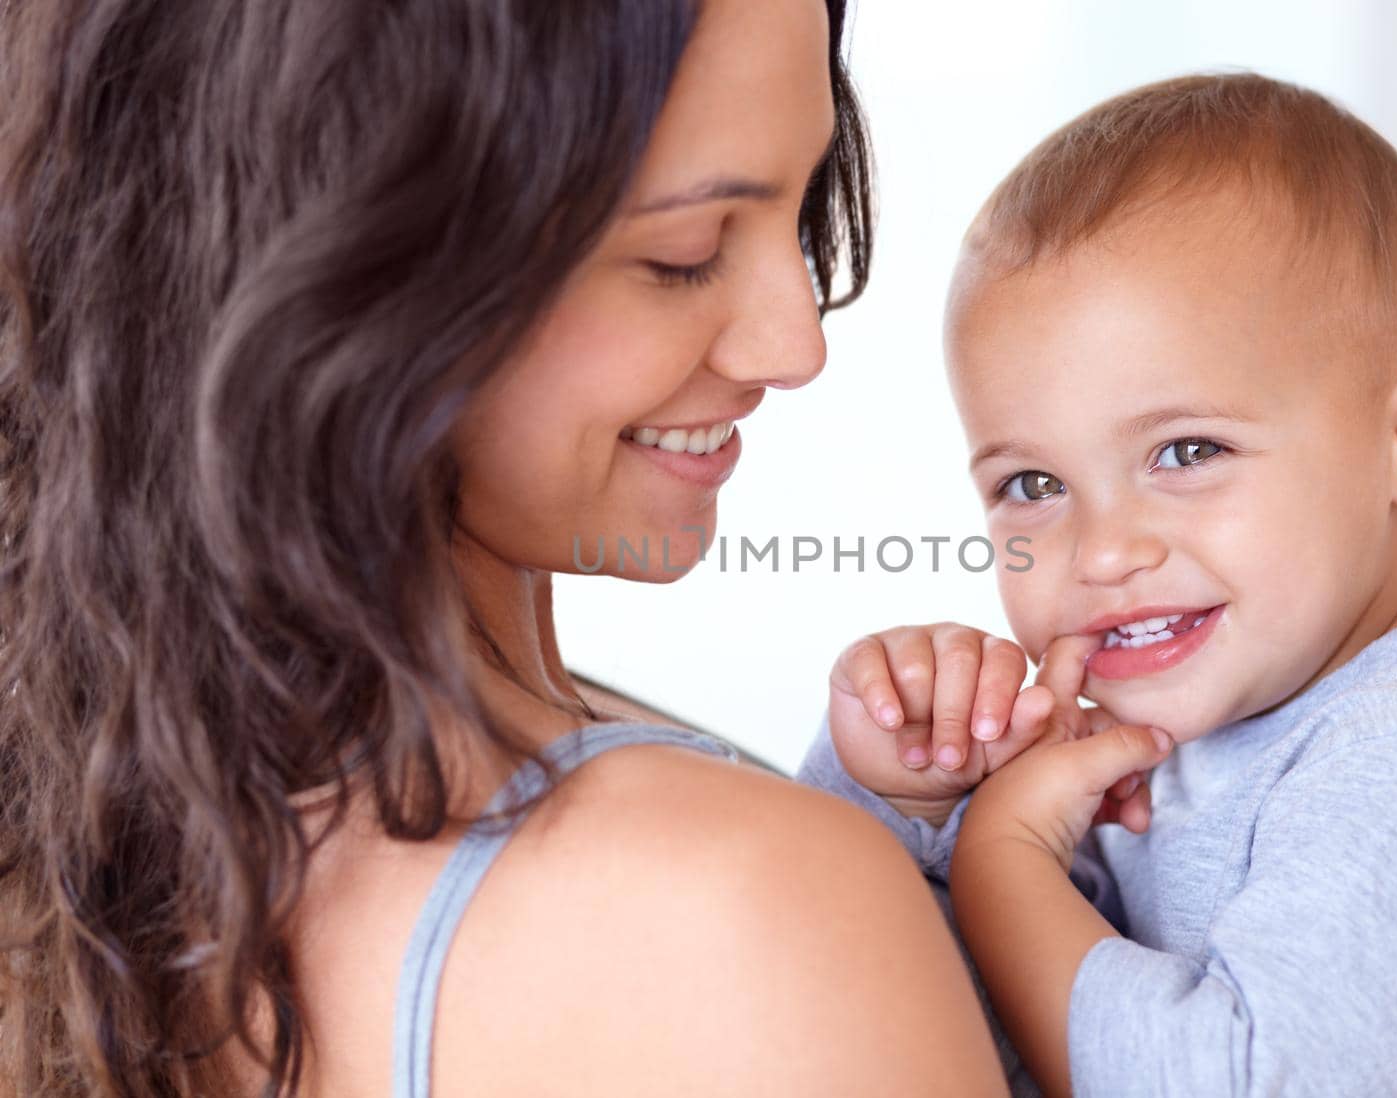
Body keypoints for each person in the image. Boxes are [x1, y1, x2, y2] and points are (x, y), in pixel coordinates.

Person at [0, 1, 1012, 1095]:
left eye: (802, 200)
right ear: (341, 270)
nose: (796, 340)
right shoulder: (727, 914)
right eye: (683, 251)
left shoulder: (93, 838)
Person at [801, 73, 1397, 1095]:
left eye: (1186, 453)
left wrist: (1002, 864)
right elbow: (908, 1028)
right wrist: (899, 795)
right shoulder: (1164, 747)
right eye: (1033, 484)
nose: (1100, 552)